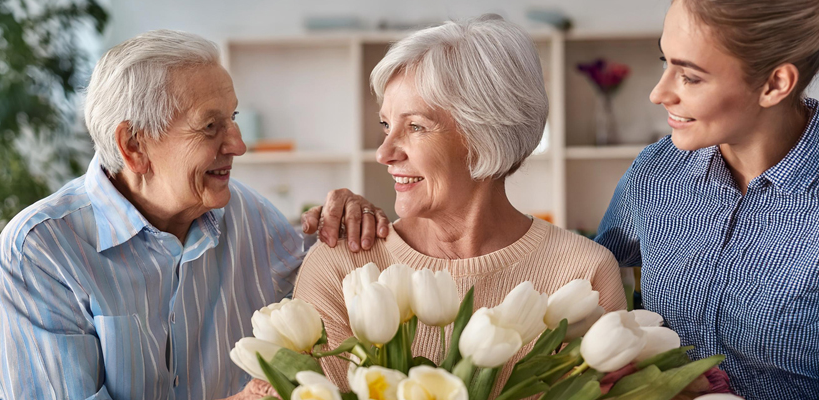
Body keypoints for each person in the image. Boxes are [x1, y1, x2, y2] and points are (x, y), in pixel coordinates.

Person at [0, 29, 386, 400]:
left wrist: (348, 221)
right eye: (211, 126)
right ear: (134, 146)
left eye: (234, 119)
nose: (239, 145)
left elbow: (323, 290)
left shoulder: (251, 217)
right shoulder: (40, 252)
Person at [294, 14, 626, 396]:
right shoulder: (344, 262)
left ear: (487, 133)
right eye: (386, 125)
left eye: (415, 126)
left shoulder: (583, 272)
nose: (383, 152)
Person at [594, 0, 819, 398]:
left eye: (690, 77)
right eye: (665, 61)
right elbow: (589, 274)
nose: (658, 93)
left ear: (775, 84)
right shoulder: (656, 172)